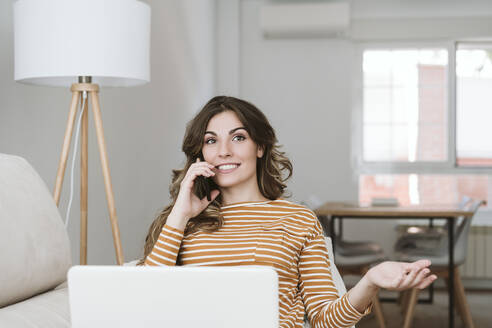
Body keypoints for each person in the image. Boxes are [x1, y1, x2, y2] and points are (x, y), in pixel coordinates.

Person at [139, 96, 437, 328]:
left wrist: (370, 280)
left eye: (238, 137)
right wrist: (179, 214)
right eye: (211, 140)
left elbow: (326, 320)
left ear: (260, 146)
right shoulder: (183, 220)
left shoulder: (298, 219)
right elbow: (142, 300)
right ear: (200, 153)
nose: (224, 151)